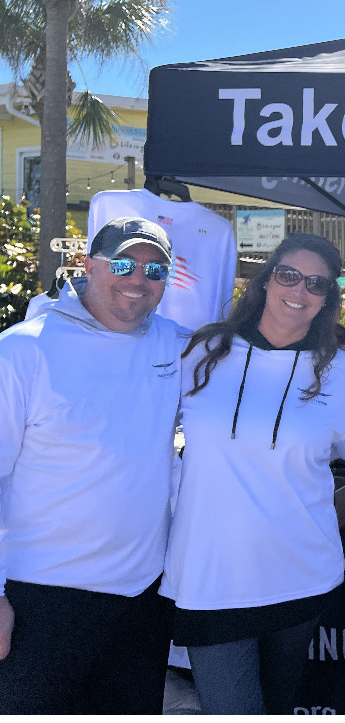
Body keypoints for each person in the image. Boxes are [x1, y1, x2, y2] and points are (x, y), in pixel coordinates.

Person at [161, 233, 345, 714]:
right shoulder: (203, 351)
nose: (299, 290)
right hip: (209, 577)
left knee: (278, 706)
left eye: (316, 284)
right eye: (289, 275)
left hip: (301, 575)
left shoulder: (340, 371)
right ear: (266, 279)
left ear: (327, 298)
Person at [0, 217, 183, 713]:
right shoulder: (22, 349)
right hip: (38, 598)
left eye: (155, 269)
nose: (138, 279)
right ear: (89, 265)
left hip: (142, 601)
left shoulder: (175, 344)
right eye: (123, 264)